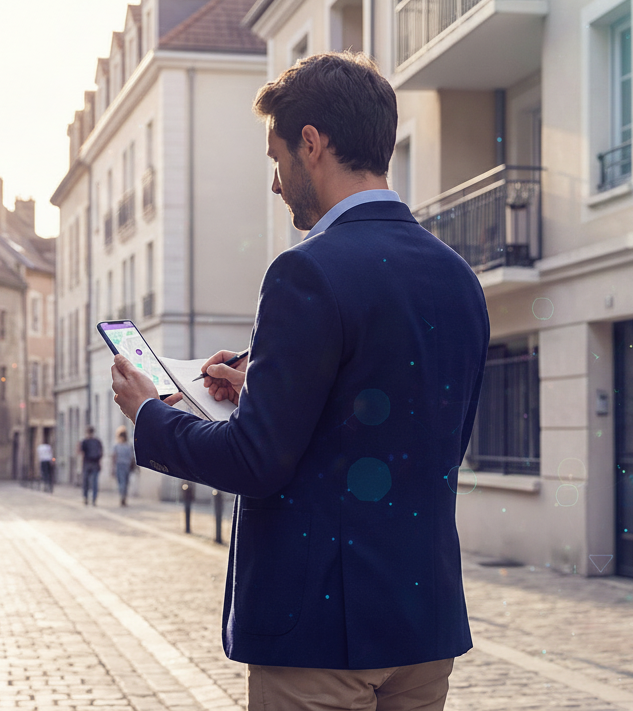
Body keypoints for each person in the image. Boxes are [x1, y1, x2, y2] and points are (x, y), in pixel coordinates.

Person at [109, 52, 490, 711]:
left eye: (276, 157)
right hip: (423, 624)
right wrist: (264, 380)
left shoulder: (304, 272)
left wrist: (153, 415)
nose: (277, 183)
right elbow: (428, 441)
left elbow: (256, 460)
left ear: (311, 145)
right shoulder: (458, 277)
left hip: (322, 634)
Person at [79, 427, 103, 506]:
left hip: (87, 463)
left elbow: (81, 453)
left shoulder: (85, 441)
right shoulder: (97, 441)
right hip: (95, 463)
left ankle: (86, 498)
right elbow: (101, 453)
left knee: (86, 482)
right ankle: (94, 499)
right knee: (94, 482)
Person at [112, 427, 135, 507]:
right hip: (127, 465)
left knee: (121, 482)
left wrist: (112, 468)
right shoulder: (128, 446)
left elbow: (114, 457)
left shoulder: (117, 446)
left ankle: (122, 496)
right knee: (125, 482)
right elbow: (132, 457)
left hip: (120, 465)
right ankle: (124, 497)